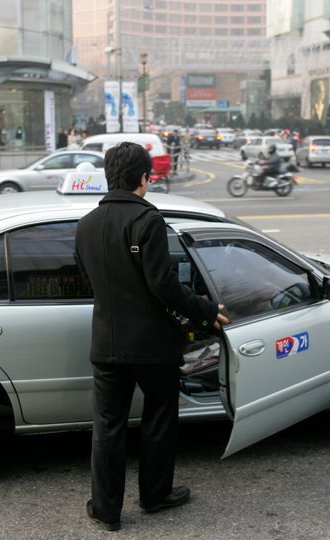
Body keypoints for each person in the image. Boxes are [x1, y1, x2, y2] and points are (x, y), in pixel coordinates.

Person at [75, 142, 228, 531]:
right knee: (159, 420)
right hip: (152, 345)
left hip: (106, 343)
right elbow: (164, 286)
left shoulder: (86, 224)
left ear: (109, 177)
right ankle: (155, 495)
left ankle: (106, 511)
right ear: (144, 178)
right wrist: (208, 310)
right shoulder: (148, 220)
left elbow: (87, 278)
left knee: (107, 425)